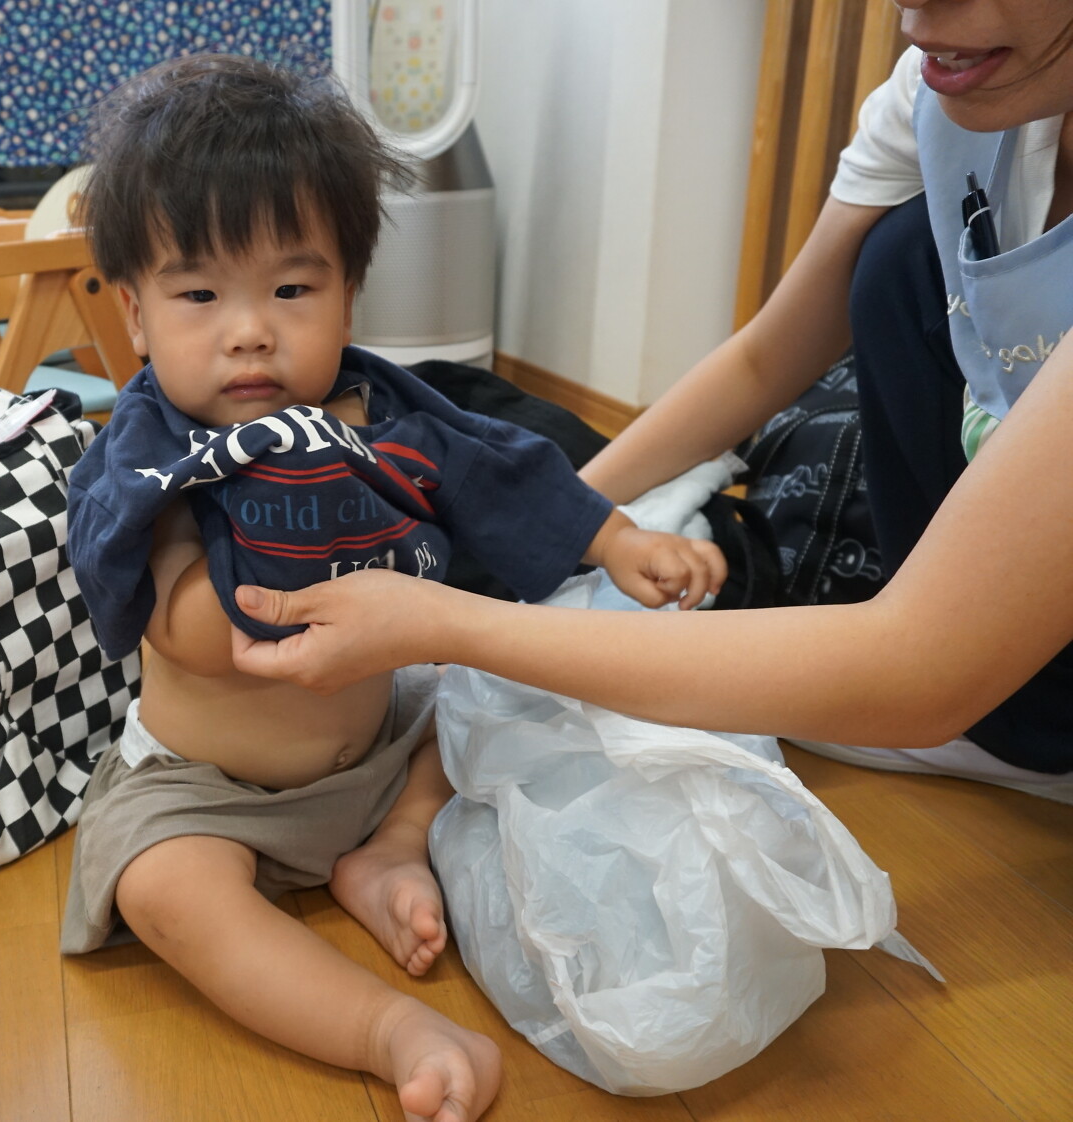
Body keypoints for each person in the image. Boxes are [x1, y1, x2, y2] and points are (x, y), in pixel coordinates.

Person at [58, 54, 725, 1122]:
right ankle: (383, 1027)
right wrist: (288, 573)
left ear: (348, 293)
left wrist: (613, 538)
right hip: (211, 789)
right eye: (200, 294)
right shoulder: (155, 446)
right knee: (162, 889)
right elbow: (175, 618)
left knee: (481, 704)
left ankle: (390, 851)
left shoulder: (384, 412)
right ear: (136, 315)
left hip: (376, 751)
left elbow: (499, 468)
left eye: (292, 289)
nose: (249, 330)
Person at [228, 0, 1073, 803]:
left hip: (977, 679)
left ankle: (1026, 721)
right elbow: (761, 361)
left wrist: (446, 622)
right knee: (895, 254)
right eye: (197, 295)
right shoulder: (937, 92)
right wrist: (561, 523)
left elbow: (919, 672)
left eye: (294, 289)